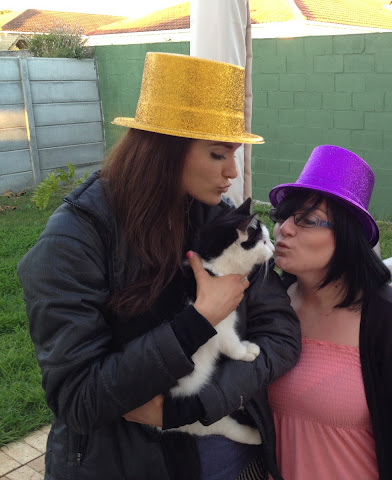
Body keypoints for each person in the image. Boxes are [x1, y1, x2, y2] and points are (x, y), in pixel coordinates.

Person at [17, 52, 301, 480]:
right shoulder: (74, 240)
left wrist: (194, 406)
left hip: (239, 461)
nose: (232, 171)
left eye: (235, 153)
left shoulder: (220, 221)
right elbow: (78, 398)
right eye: (218, 154)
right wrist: (197, 322)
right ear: (164, 152)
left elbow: (281, 333)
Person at [266, 145, 392, 479]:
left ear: (348, 236)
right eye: (282, 216)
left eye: (307, 220)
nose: (285, 229)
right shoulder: (268, 304)